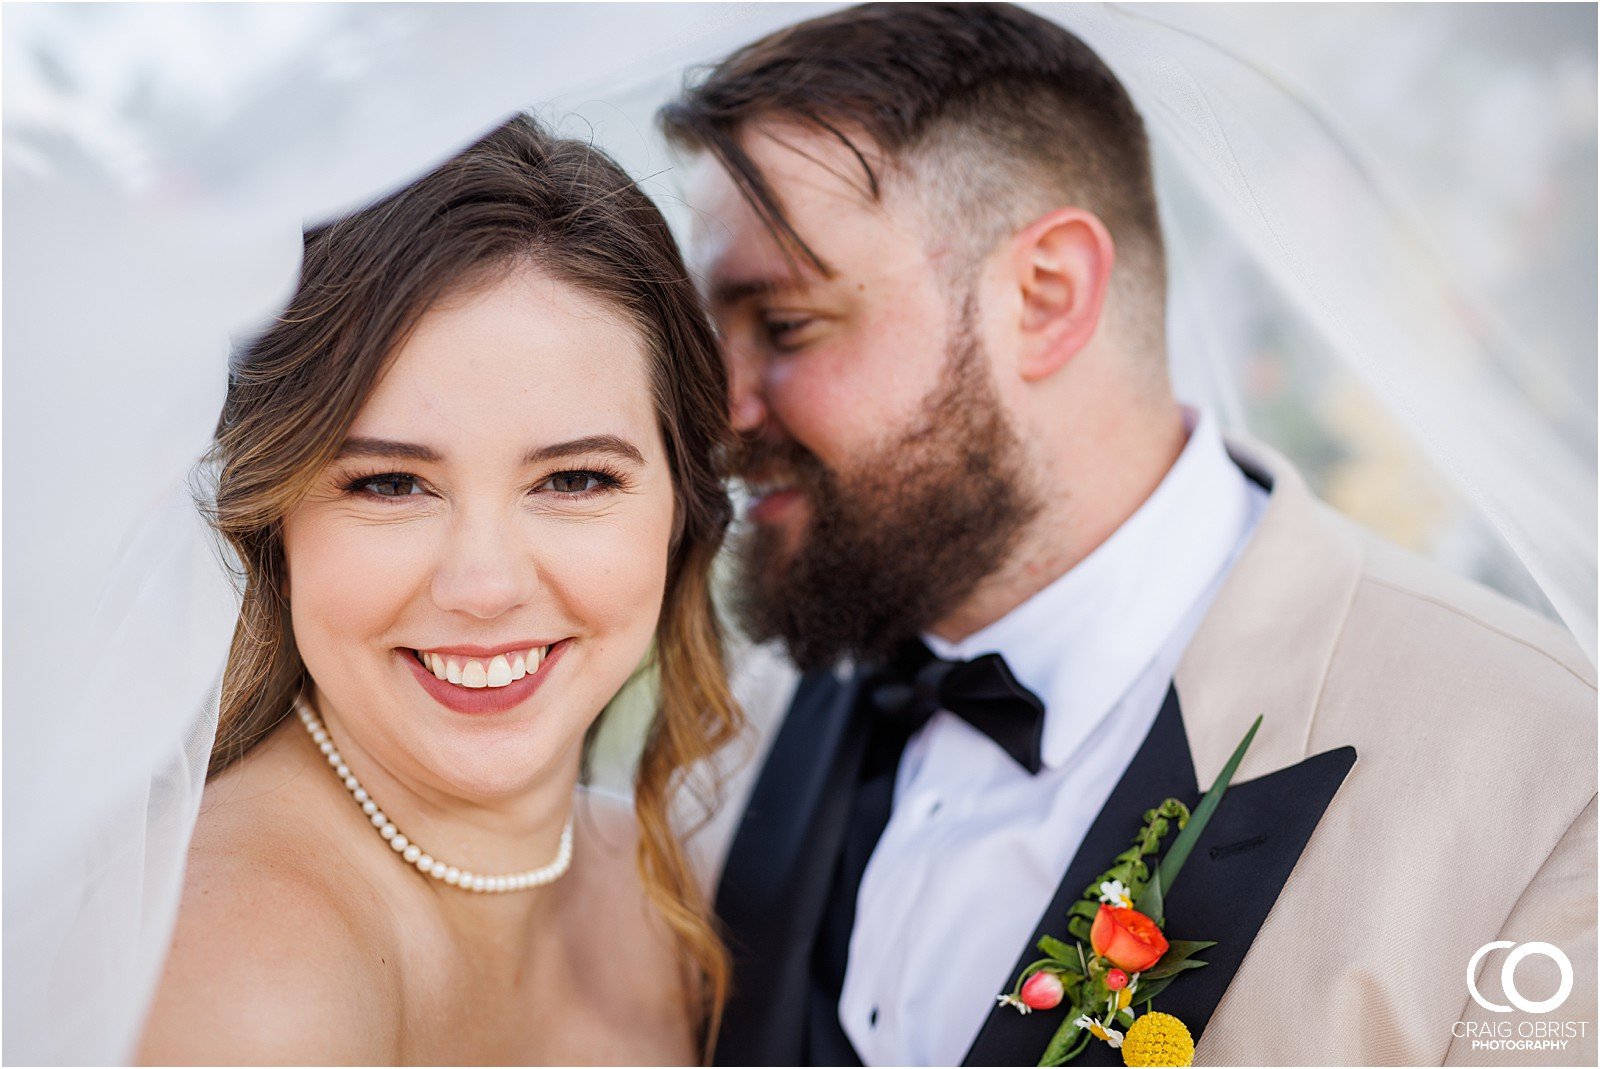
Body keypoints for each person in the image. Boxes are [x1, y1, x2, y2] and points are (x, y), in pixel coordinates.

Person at [659, 3, 1597, 1066]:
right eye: (709, 335)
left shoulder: (1548, 786)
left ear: (1045, 296)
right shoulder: (730, 721)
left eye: (784, 325)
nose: (717, 408)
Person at [136, 114, 741, 1064]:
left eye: (574, 479)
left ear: (681, 508)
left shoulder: (662, 885)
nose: (484, 586)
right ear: (276, 525)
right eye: (388, 483)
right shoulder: (243, 985)